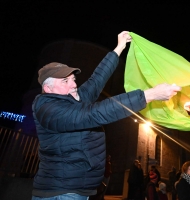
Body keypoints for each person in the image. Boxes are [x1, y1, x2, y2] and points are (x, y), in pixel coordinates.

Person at [31, 31, 181, 200]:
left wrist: (119, 48)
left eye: (73, 79)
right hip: (60, 192)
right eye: (65, 81)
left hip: (78, 190)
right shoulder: (47, 108)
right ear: (48, 89)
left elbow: (96, 80)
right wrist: (148, 95)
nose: (74, 84)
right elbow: (92, 114)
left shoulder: (75, 99)